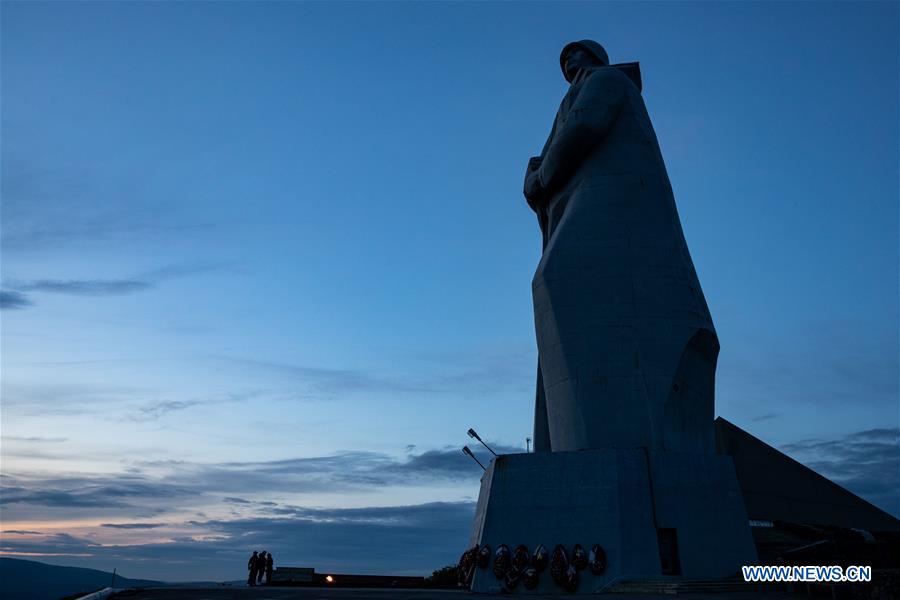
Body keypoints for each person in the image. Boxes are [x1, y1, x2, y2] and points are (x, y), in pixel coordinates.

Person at [524, 40, 718, 454]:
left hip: (614, 201)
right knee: (556, 280)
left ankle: (597, 437)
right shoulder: (571, 96)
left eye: (574, 54)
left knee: (560, 275)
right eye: (563, 58)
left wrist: (541, 178)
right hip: (586, 198)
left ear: (595, 56)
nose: (568, 61)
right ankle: (568, 441)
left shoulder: (607, 80)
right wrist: (538, 178)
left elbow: (585, 126)